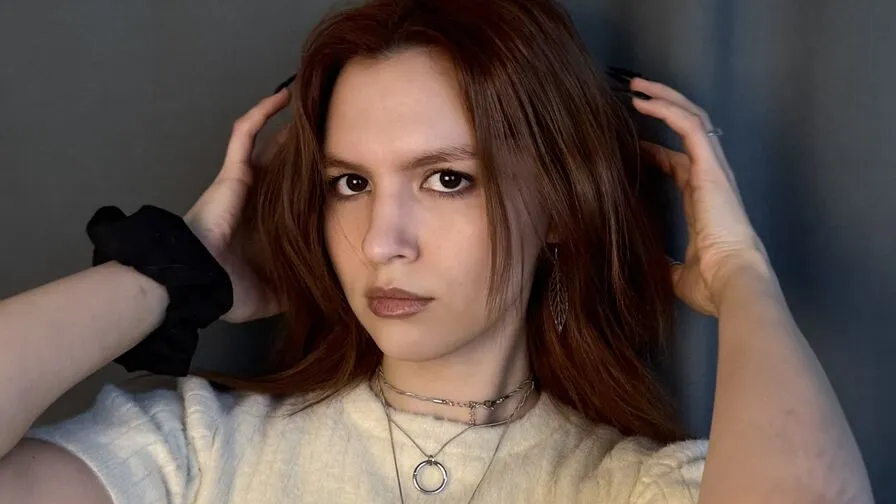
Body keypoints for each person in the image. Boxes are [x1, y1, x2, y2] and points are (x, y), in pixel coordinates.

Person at [0, 0, 874, 502]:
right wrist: (172, 272)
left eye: (448, 179)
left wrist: (741, 276)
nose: (382, 241)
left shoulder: (637, 487)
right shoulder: (198, 453)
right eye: (350, 183)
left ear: (559, 208)